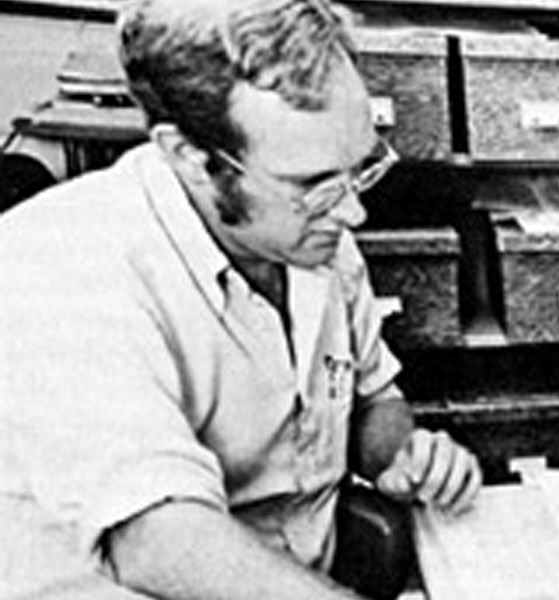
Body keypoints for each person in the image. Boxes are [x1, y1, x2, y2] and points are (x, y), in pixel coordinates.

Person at [0, 1, 482, 598]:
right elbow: (158, 540)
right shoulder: (57, 264)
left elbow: (371, 398)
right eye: (312, 184)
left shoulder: (312, 235)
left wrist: (398, 455)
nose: (353, 212)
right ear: (190, 157)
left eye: (359, 168)